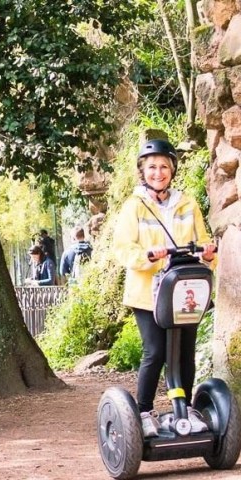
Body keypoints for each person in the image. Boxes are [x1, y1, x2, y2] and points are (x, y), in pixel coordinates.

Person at [113, 137, 216, 438]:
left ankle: (187, 410)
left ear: (173, 170)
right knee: (155, 351)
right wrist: (146, 255)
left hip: (184, 290)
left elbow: (202, 241)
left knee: (185, 351)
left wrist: (208, 254)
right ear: (142, 171)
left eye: (164, 167)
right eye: (152, 167)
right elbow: (122, 248)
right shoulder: (134, 206)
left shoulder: (187, 203)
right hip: (148, 293)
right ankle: (144, 411)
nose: (158, 172)